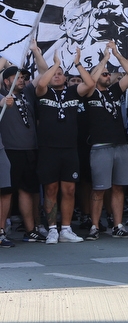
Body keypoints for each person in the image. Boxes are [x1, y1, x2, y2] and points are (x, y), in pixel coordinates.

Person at [35, 51, 96, 244]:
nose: (57, 75)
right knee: (51, 189)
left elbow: (90, 84)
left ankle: (66, 229)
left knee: (69, 190)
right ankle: (52, 228)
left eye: (60, 73)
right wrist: (55, 65)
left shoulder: (72, 91)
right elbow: (42, 83)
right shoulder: (43, 92)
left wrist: (77, 64)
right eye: (54, 73)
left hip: (70, 149)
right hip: (48, 149)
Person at [81, 42, 128, 240]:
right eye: (104, 74)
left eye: (108, 74)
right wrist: (103, 60)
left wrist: (117, 54)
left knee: (119, 186)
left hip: (120, 144)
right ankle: (95, 226)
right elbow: (89, 82)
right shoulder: (88, 93)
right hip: (100, 147)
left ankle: (117, 225)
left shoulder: (113, 91)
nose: (107, 76)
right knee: (99, 188)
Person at [0, 65, 44, 243]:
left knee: (27, 190)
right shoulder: (3, 95)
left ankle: (30, 230)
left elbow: (43, 72)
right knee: (6, 192)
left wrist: (35, 51)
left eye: (23, 77)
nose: (21, 80)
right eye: (17, 77)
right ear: (6, 81)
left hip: (30, 148)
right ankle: (3, 229)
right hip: (10, 149)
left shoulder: (28, 93)